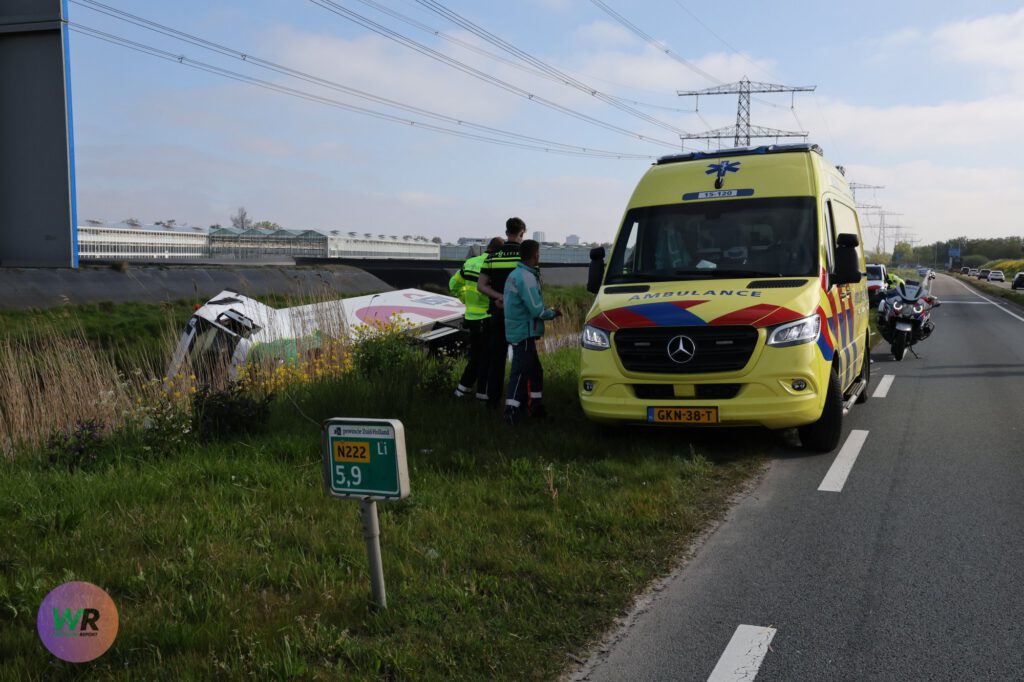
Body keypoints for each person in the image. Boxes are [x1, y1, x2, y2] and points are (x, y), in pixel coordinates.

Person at [502, 239, 560, 425]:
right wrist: (553, 313)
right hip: (524, 333)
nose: (539, 256)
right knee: (519, 374)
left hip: (518, 330)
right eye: (538, 253)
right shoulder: (526, 278)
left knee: (536, 371)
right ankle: (510, 413)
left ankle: (535, 406)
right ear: (535, 254)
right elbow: (537, 310)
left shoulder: (515, 274)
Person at [477, 217, 527, 408]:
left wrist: (499, 296)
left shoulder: (492, 257)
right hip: (519, 316)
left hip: (496, 314)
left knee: (496, 357)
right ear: (522, 233)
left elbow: (481, 286)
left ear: (506, 233)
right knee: (520, 357)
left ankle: (492, 399)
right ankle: (516, 399)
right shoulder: (525, 257)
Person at [449, 236, 504, 400]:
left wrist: (465, 298)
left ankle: (463, 391)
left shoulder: (470, 262)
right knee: (485, 357)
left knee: (476, 355)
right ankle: (480, 394)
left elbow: (453, 284)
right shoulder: (493, 265)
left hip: (471, 317)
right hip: (487, 316)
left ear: (487, 247)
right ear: (499, 252)